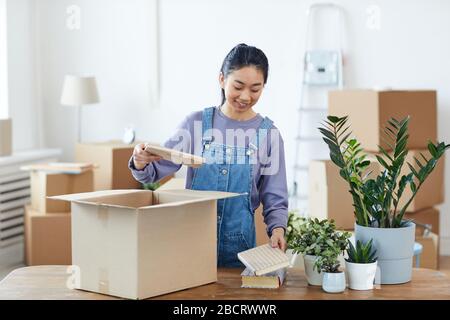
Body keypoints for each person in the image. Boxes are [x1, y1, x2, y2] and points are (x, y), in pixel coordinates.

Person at [129, 43, 288, 267]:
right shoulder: (195, 123)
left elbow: (275, 195)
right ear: (222, 79)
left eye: (255, 89)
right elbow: (151, 172)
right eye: (238, 86)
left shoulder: (269, 134)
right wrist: (140, 160)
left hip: (241, 248)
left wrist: (278, 228)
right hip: (191, 241)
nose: (245, 96)